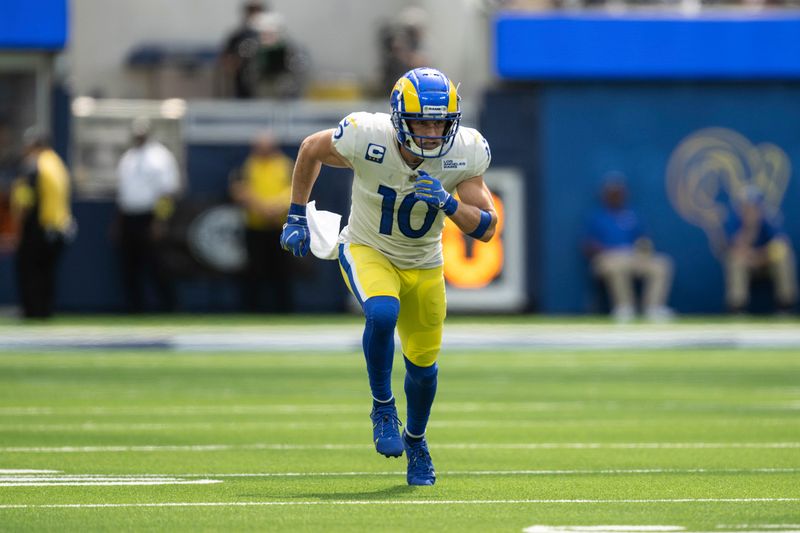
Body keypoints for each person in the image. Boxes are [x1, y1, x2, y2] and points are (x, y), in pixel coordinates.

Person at [279, 67, 497, 486]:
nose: (432, 131)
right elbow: (310, 148)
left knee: (424, 369)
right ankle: (382, 406)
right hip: (367, 248)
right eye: (422, 120)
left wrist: (449, 205)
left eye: (440, 121)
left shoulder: (466, 152)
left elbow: (487, 227)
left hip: (425, 263)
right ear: (399, 118)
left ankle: (416, 440)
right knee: (381, 313)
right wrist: (295, 214)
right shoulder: (366, 135)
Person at [582, 175, 674, 322]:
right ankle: (624, 307)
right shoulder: (597, 217)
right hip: (608, 258)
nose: (616, 195)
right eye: (612, 193)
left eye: (618, 192)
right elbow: (587, 246)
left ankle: (653, 307)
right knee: (616, 265)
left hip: (633, 257)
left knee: (662, 264)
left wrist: (644, 248)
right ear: (605, 195)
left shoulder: (633, 215)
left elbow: (644, 239)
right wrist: (607, 250)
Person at [113, 118, 180, 313]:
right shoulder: (128, 158)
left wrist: (160, 220)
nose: (139, 137)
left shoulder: (160, 157)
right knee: (129, 267)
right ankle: (135, 308)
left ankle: (170, 306)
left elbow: (167, 192)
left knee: (157, 264)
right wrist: (118, 222)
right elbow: (123, 193)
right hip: (129, 216)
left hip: (150, 215)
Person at [10, 128, 73, 319]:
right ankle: (45, 311)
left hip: (38, 227)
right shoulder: (57, 163)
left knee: (30, 271)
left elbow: (25, 200)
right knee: (46, 274)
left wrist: (18, 229)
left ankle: (33, 312)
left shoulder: (34, 165)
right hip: (59, 227)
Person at [229, 131, 294, 312]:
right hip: (255, 226)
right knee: (254, 270)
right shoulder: (247, 166)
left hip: (280, 227)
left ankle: (285, 310)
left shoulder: (286, 165)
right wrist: (262, 208)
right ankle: (252, 309)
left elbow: (296, 189)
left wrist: (276, 207)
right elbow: (239, 189)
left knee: (282, 271)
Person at [723, 186, 797, 313]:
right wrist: (750, 229)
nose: (750, 211)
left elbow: (780, 245)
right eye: (746, 207)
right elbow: (734, 248)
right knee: (735, 260)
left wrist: (760, 257)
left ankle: (786, 306)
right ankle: (737, 308)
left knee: (785, 257)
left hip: (766, 262)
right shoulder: (733, 220)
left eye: (753, 207)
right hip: (747, 262)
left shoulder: (769, 220)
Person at [220, 1, 267, 98]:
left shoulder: (270, 37)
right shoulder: (237, 37)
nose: (255, 16)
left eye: (258, 12)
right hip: (242, 89)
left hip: (266, 89)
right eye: (252, 11)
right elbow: (227, 61)